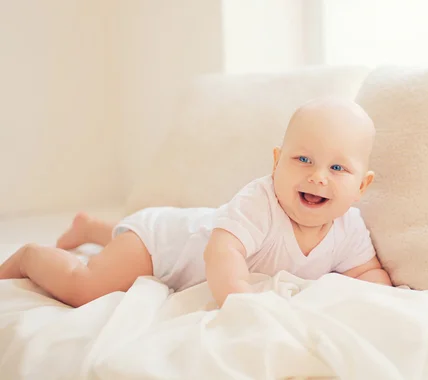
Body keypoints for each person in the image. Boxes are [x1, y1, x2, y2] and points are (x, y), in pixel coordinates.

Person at [0, 97, 392, 308]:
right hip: (160, 245)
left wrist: (382, 298)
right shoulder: (260, 202)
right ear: (276, 163)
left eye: (338, 167)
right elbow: (222, 253)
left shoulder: (349, 228)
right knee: (85, 288)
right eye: (302, 159)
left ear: (362, 185)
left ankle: (91, 229)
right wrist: (239, 299)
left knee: (129, 240)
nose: (317, 175)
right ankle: (29, 256)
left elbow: (367, 273)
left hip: (188, 225)